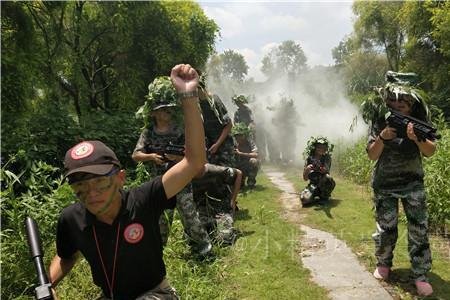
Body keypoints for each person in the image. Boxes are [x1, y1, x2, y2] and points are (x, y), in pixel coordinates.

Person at [48, 64, 206, 300]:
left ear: (120, 178)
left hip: (155, 293)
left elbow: (193, 162)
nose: (91, 194)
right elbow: (66, 256)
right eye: (80, 188)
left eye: (99, 183)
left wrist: (188, 96)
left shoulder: (144, 199)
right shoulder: (71, 219)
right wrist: (46, 284)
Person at [366, 71, 436, 297]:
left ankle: (421, 275)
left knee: (419, 230)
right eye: (393, 101)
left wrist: (417, 138)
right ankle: (383, 264)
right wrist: (383, 137)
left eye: (402, 102)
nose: (397, 105)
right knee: (386, 229)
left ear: (412, 102)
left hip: (413, 184)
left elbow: (431, 151)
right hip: (384, 184)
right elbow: (372, 155)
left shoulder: (420, 122)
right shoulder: (379, 120)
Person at [132, 76, 211, 255]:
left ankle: (204, 248)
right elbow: (136, 155)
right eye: (162, 110)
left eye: (168, 110)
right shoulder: (148, 132)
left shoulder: (179, 130)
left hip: (181, 179)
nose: (167, 112)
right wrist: (152, 156)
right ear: (154, 113)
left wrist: (178, 158)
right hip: (159, 183)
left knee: (189, 216)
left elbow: (194, 153)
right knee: (161, 219)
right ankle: (158, 253)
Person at [192, 163, 242, 245]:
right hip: (203, 209)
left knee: (224, 240)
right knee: (193, 239)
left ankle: (225, 227)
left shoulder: (214, 170)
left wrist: (233, 200)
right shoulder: (184, 175)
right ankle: (211, 225)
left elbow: (238, 173)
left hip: (222, 209)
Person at [197, 75, 236, 167]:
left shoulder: (214, 100)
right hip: (209, 145)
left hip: (223, 144)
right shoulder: (196, 104)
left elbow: (229, 124)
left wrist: (217, 144)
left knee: (227, 173)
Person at [300, 137, 335, 205]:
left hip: (324, 184)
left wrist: (320, 169)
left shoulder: (327, 157)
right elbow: (305, 178)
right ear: (315, 148)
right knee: (304, 200)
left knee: (328, 178)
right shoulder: (309, 158)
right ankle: (312, 195)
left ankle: (324, 197)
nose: (321, 149)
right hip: (313, 185)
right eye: (319, 147)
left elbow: (326, 170)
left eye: (323, 148)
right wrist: (307, 169)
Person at [232, 123, 260, 189]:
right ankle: (239, 182)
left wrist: (241, 153)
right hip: (239, 166)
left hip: (248, 164)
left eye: (239, 135)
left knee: (253, 161)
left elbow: (256, 154)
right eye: (236, 136)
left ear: (243, 136)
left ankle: (251, 181)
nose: (237, 137)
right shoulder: (234, 144)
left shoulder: (250, 142)